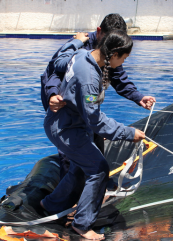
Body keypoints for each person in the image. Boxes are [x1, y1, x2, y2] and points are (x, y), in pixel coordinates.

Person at [41, 30, 145, 240]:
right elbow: (95, 120)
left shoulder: (82, 54)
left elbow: (60, 59)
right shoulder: (89, 77)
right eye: (123, 58)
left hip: (68, 123)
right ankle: (82, 224)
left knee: (81, 169)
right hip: (66, 129)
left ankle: (51, 204)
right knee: (99, 169)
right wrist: (128, 133)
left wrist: (75, 41)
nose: (122, 63)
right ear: (113, 54)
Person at [40, 13, 155, 179]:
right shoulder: (82, 46)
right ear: (99, 31)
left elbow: (119, 79)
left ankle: (97, 182)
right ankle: (71, 197)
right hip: (61, 104)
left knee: (95, 135)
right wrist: (52, 94)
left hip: (87, 103)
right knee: (70, 149)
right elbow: (55, 69)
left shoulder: (112, 51)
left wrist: (138, 96)